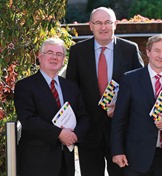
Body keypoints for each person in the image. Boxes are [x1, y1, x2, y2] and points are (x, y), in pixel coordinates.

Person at [65, 6, 144, 176]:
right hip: (88, 131)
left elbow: (141, 87)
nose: (103, 27)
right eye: (98, 23)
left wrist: (123, 106)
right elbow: (71, 89)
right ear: (90, 25)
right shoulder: (78, 52)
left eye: (108, 22)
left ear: (115, 24)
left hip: (121, 132)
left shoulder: (130, 49)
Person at [111, 34, 162, 176]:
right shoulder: (130, 79)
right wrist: (117, 151)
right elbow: (119, 119)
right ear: (148, 52)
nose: (161, 55)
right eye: (157, 50)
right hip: (136, 157)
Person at [14, 37, 89, 176]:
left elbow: (83, 116)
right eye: (50, 52)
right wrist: (59, 134)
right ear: (40, 56)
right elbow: (29, 120)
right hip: (37, 162)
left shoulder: (71, 87)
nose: (54, 57)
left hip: (66, 162)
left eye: (59, 54)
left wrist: (75, 136)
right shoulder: (25, 86)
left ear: (63, 59)